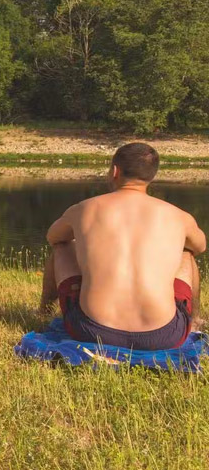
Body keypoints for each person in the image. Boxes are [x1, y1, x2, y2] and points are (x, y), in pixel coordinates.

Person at [40, 142, 204, 350]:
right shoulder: (179, 216)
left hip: (91, 330)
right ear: (152, 176)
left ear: (115, 171)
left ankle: (43, 311)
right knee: (187, 253)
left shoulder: (83, 209)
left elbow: (53, 237)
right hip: (164, 335)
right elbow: (200, 246)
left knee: (62, 246)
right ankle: (195, 318)